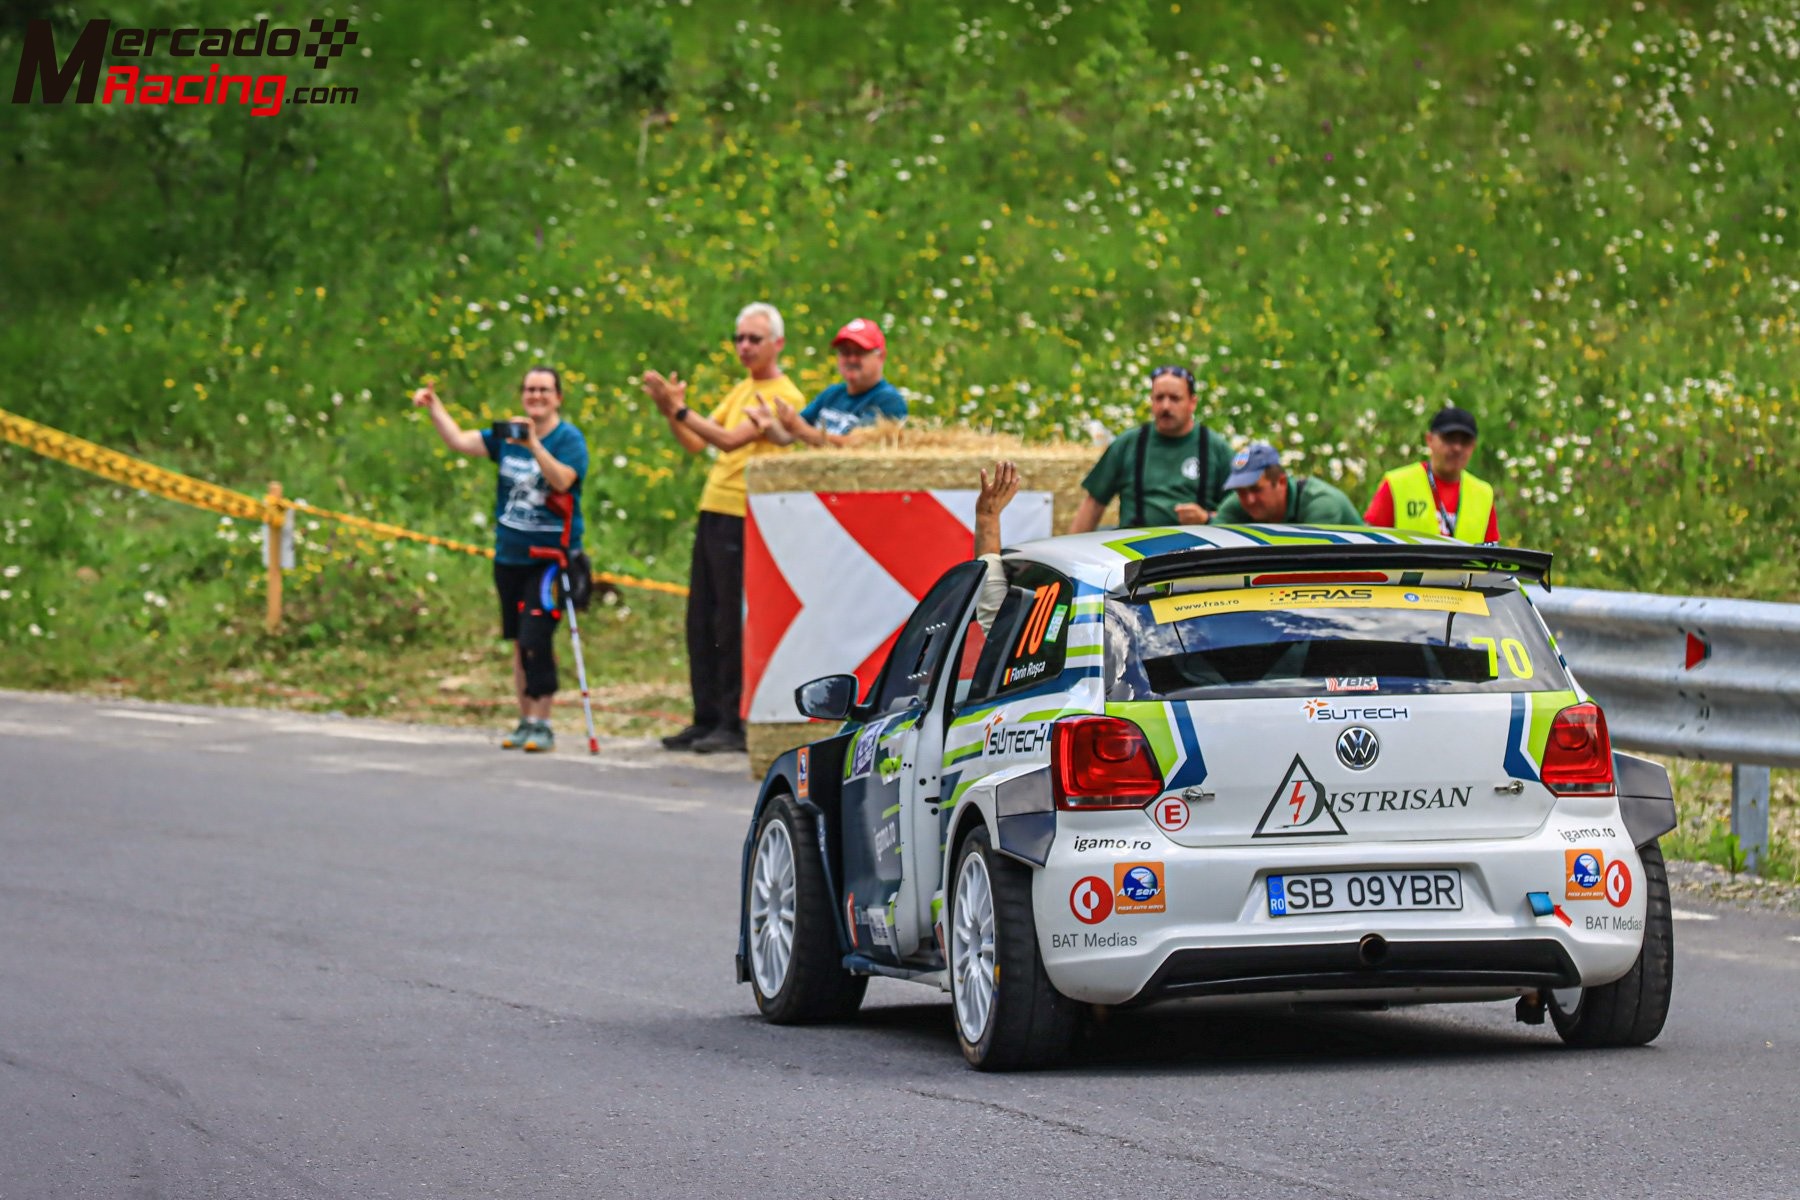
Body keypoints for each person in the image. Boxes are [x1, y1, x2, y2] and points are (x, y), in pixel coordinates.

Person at [642, 302, 805, 755]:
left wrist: (680, 410)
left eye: (754, 338)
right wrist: (668, 411)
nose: (745, 347)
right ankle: (706, 715)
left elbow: (731, 441)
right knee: (702, 617)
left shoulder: (782, 395)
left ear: (777, 343)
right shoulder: (741, 390)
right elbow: (697, 440)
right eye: (739, 339)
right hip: (713, 507)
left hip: (743, 513)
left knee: (730, 620)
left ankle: (734, 720)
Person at [413, 367, 588, 753]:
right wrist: (435, 408)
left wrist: (534, 446)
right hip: (510, 555)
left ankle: (544, 721)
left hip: (549, 557)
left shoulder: (567, 439)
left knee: (536, 636)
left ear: (558, 397)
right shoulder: (506, 434)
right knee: (517, 641)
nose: (536, 396)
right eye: (530, 389)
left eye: (544, 390)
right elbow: (460, 441)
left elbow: (563, 481)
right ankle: (525, 718)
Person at [1069, 365, 1234, 532]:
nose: (1166, 406)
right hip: (1135, 549)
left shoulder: (1216, 448)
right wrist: (1070, 549)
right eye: (1159, 398)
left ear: (1192, 402)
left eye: (1175, 398)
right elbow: (1093, 504)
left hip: (1195, 551)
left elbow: (1241, 510)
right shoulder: (1127, 444)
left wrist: (1207, 518)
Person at [1364, 405, 1500, 542]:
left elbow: (1492, 553)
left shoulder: (1483, 494)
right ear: (1429, 440)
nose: (1457, 448)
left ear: (1473, 446)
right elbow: (1369, 545)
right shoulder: (1397, 483)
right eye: (1449, 439)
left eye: (1465, 442)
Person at [766, 318, 908, 447]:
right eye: (845, 352)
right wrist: (767, 423)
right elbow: (786, 437)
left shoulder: (889, 401)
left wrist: (801, 430)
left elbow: (860, 447)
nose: (852, 359)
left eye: (859, 352)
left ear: (881, 356)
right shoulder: (832, 394)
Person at [1211, 441, 1363, 525]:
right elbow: (1213, 542)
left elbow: (1306, 565)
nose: (1249, 499)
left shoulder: (1321, 504)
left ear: (1281, 482)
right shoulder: (1239, 504)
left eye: (1256, 489)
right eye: (1240, 491)